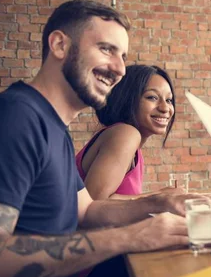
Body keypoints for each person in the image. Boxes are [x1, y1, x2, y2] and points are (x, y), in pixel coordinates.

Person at [0, 0, 207, 277]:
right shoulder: (15, 117)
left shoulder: (55, 129)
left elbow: (88, 210)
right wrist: (132, 237)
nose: (120, 68)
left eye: (122, 56)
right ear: (60, 44)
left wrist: (159, 201)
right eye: (107, 49)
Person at [76, 64, 181, 201]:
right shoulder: (125, 134)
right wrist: (160, 197)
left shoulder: (130, 143)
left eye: (168, 100)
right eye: (152, 97)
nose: (165, 108)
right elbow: (93, 205)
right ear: (127, 99)